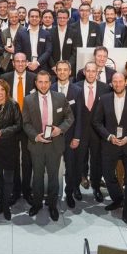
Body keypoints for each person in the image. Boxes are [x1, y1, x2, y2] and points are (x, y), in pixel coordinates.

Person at [92, 72, 127, 233]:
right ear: (111, 84)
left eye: (120, 81)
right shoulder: (104, 99)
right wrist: (109, 137)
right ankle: (118, 198)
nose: (117, 84)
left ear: (125, 83)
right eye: (114, 82)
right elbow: (96, 121)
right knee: (108, 175)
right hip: (110, 145)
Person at [23, 71, 74, 221]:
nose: (43, 85)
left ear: (50, 83)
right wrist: (35, 136)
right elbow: (25, 123)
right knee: (37, 177)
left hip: (55, 145)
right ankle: (37, 204)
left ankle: (52, 205)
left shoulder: (60, 97)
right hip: (37, 144)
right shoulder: (28, 100)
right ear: (36, 83)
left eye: (46, 82)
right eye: (40, 82)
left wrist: (60, 129)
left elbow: (69, 117)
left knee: (53, 177)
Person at [0, 53, 36, 205]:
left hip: (28, 125)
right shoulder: (5, 78)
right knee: (13, 160)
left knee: (27, 160)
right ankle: (15, 191)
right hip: (11, 125)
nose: (20, 64)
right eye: (17, 61)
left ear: (27, 63)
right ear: (13, 63)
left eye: (23, 61)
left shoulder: (35, 78)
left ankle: (27, 191)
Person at [75, 61, 110, 203]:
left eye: (93, 71)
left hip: (98, 132)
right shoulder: (76, 87)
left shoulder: (105, 88)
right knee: (79, 159)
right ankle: (76, 185)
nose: (90, 74)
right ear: (84, 72)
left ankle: (96, 187)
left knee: (97, 160)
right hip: (80, 131)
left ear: (97, 73)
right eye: (88, 71)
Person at [0, 79, 22, 220]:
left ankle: (6, 206)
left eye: (2, 89)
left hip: (9, 146)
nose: (0, 92)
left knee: (8, 178)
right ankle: (2, 200)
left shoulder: (13, 104)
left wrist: (2, 132)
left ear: (6, 91)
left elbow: (18, 125)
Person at [51, 61, 82, 208]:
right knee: (53, 168)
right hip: (53, 136)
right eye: (60, 70)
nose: (62, 72)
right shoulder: (50, 88)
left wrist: (77, 137)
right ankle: (52, 195)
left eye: (65, 70)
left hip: (70, 137)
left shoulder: (77, 91)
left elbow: (80, 115)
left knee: (71, 168)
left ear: (70, 72)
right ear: (56, 72)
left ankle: (69, 193)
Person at [14, 8, 52, 73]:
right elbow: (18, 51)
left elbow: (48, 51)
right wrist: (27, 63)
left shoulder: (46, 33)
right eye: (32, 16)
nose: (34, 18)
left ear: (40, 19)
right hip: (25, 67)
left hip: (42, 66)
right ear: (28, 18)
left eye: (36, 16)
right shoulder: (20, 33)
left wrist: (37, 63)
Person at [49, 8, 79, 76]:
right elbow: (48, 51)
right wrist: (53, 66)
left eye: (64, 18)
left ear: (68, 19)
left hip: (69, 70)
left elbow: (75, 52)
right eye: (60, 17)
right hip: (53, 70)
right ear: (57, 18)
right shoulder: (50, 32)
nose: (62, 20)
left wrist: (68, 65)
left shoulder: (74, 33)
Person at [0, 9, 24, 73]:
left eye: (16, 17)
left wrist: (15, 51)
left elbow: (28, 49)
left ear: (18, 17)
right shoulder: (4, 32)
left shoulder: (25, 30)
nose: (14, 19)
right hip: (7, 63)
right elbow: (1, 47)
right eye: (12, 17)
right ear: (8, 18)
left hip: (21, 62)